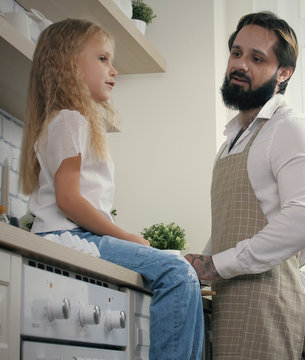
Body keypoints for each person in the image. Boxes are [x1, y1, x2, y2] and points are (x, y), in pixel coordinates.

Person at [18, 19, 203, 360]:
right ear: (69, 65)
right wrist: (126, 236)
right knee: (178, 273)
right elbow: (69, 199)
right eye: (102, 59)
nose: (113, 70)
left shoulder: (67, 121)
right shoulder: (70, 120)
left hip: (72, 237)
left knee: (180, 273)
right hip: (71, 237)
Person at [184, 11, 305, 360]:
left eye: (256, 58)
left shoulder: (291, 129)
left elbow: (303, 221)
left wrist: (216, 266)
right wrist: (198, 265)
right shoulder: (231, 141)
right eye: (236, 53)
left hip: (275, 304)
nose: (240, 65)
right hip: (234, 303)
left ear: (284, 73)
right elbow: (230, 227)